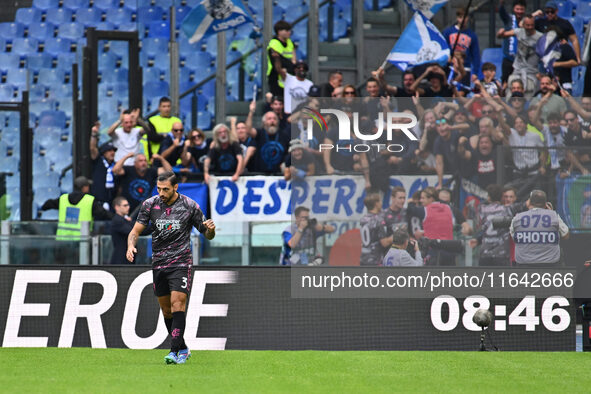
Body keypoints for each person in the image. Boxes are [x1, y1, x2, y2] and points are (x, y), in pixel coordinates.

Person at [127, 171, 216, 364]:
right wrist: (130, 245)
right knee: (167, 311)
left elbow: (207, 234)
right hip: (158, 263)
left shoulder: (189, 206)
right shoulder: (150, 205)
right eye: (159, 188)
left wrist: (211, 230)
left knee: (178, 304)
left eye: (165, 189)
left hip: (181, 262)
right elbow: (135, 231)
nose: (161, 192)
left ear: (176, 187)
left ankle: (174, 351)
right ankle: (183, 348)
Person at [40, 176, 114, 239]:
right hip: (83, 240)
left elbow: (47, 204)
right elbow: (103, 213)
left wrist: (42, 208)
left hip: (63, 239)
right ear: (84, 188)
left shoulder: (63, 199)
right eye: (88, 186)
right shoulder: (89, 201)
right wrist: (118, 217)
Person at [510, 189, 569, 266]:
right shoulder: (554, 216)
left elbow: (514, 238)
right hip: (550, 263)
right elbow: (566, 235)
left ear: (529, 203)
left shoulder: (517, 218)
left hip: (524, 263)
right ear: (545, 204)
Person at [497, 14, 543, 98]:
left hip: (531, 72)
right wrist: (500, 33)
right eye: (527, 25)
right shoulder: (519, 32)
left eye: (532, 25)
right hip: (517, 70)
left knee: (527, 94)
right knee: (511, 92)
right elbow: (503, 35)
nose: (529, 27)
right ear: (523, 24)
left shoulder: (540, 37)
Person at [407, 187, 455, 266]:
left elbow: (411, 209)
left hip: (433, 252)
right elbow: (448, 225)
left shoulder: (425, 210)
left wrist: (411, 202)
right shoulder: (448, 208)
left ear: (431, 199)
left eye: (423, 198)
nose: (420, 200)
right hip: (449, 250)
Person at [469, 184, 512, 266]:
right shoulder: (508, 210)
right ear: (502, 197)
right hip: (501, 254)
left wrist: (478, 239)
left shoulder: (482, 209)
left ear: (488, 197)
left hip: (485, 254)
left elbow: (490, 227)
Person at [443, 8, 482, 84]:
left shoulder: (472, 35)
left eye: (465, 17)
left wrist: (475, 72)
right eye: (460, 17)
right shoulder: (448, 32)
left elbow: (476, 54)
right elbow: (444, 48)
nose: (463, 20)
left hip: (465, 67)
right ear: (457, 18)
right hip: (451, 67)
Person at [498, 0, 526, 87]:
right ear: (513, 9)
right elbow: (502, 12)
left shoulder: (527, 22)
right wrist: (502, 3)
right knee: (505, 84)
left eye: (521, 9)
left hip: (521, 60)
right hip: (508, 59)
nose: (519, 11)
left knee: (520, 84)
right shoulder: (509, 19)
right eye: (517, 9)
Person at [90, 122, 116, 210]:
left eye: (113, 151)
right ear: (104, 153)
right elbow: (93, 149)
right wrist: (94, 134)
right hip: (98, 200)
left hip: (111, 200)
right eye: (109, 151)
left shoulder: (115, 164)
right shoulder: (99, 161)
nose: (112, 153)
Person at [360, 193, 391, 266]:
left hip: (364, 257)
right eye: (380, 201)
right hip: (375, 259)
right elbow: (384, 243)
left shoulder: (363, 219)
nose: (381, 203)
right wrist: (395, 236)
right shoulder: (378, 220)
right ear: (376, 204)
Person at [267, 20, 296, 97]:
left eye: (289, 30)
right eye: (286, 30)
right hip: (276, 75)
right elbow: (277, 60)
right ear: (279, 31)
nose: (289, 33)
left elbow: (293, 58)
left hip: (289, 74)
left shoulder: (290, 42)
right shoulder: (274, 44)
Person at [110, 196, 134, 265]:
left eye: (128, 205)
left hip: (126, 258)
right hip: (121, 260)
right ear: (117, 207)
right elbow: (133, 231)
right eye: (125, 205)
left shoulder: (124, 220)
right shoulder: (117, 221)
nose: (128, 207)